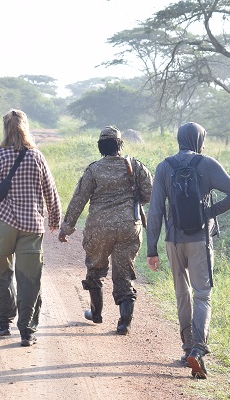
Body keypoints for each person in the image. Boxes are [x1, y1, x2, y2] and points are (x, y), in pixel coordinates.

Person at [146, 122, 230, 379]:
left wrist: (151, 249)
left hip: (173, 241)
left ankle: (187, 347)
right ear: (198, 140)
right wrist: (208, 213)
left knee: (182, 294)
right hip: (200, 240)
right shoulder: (207, 164)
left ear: (180, 139)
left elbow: (155, 210)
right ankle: (198, 350)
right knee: (202, 294)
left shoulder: (164, 167)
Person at [0, 109, 62, 347]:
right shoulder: (36, 156)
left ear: (5, 128)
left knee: (2, 272)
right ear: (25, 127)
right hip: (32, 224)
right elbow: (50, 191)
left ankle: (2, 324)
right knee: (29, 277)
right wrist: (54, 219)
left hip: (3, 223)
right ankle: (27, 331)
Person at [58, 126, 153, 335]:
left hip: (98, 228)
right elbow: (149, 194)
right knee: (123, 273)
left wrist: (66, 228)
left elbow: (78, 200)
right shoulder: (135, 166)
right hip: (129, 226)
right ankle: (124, 323)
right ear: (120, 144)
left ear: (100, 146)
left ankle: (96, 313)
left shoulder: (93, 170)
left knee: (95, 268)